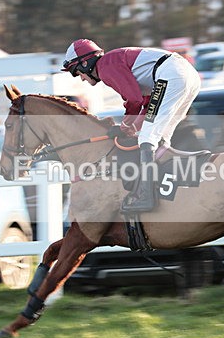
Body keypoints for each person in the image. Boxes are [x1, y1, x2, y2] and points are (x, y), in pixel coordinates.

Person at [61, 38, 201, 212]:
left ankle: (146, 195)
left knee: (148, 137)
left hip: (172, 74)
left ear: (84, 63)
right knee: (162, 137)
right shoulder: (111, 62)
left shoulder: (105, 67)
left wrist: (125, 126)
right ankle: (168, 183)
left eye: (76, 72)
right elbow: (147, 102)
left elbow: (133, 100)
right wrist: (133, 127)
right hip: (186, 74)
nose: (80, 78)